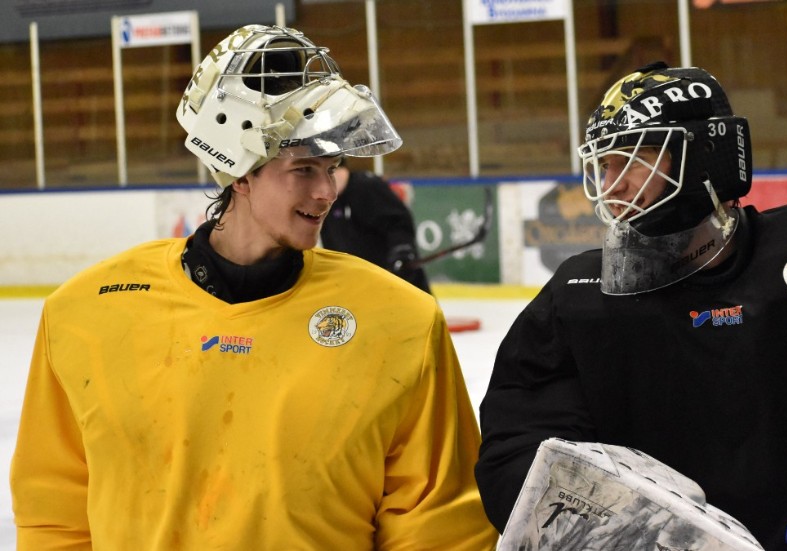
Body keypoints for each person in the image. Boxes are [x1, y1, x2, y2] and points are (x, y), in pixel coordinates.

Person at [10, 25, 497, 550]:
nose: (327, 191)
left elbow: (438, 525)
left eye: (333, 167)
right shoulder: (85, 313)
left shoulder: (401, 321)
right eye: (304, 169)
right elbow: (54, 516)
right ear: (238, 174)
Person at [474, 62, 787, 550]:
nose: (612, 185)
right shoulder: (580, 295)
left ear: (706, 156)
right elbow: (520, 447)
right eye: (603, 164)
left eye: (632, 158)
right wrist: (606, 530)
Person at [320, 158, 431, 293]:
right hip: (362, 286)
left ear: (340, 169)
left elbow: (398, 221)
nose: (325, 184)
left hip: (397, 281)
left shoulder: (367, 185)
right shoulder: (328, 201)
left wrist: (402, 250)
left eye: (330, 173)